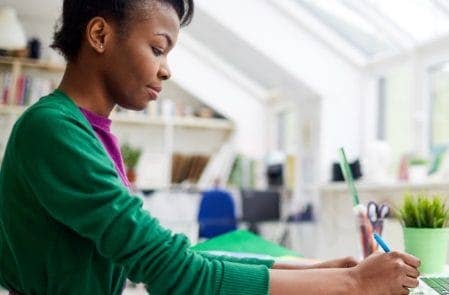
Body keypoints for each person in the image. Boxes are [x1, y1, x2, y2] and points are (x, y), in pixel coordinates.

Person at [0, 0, 421, 294]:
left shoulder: (85, 130)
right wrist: (351, 285)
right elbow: (176, 274)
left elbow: (169, 257)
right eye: (158, 48)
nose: (166, 70)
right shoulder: (54, 131)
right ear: (98, 34)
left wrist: (316, 270)